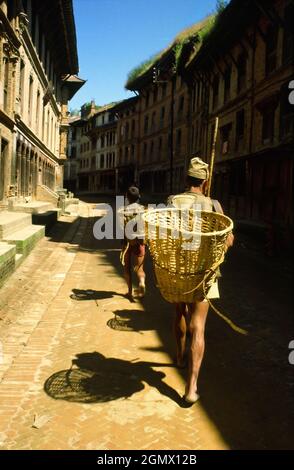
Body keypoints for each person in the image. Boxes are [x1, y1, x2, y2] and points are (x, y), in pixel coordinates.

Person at [169, 157, 234, 404]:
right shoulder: (213, 204)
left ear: (186, 180)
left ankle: (178, 356)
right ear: (205, 182)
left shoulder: (172, 201)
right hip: (204, 274)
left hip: (177, 272)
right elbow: (227, 240)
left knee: (179, 314)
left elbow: (163, 233)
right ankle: (191, 387)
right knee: (199, 327)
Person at [121, 186, 146, 301]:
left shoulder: (123, 211)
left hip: (127, 243)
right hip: (140, 243)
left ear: (127, 197)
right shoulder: (143, 210)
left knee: (127, 269)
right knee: (140, 269)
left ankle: (130, 293)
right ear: (138, 197)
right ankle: (141, 282)